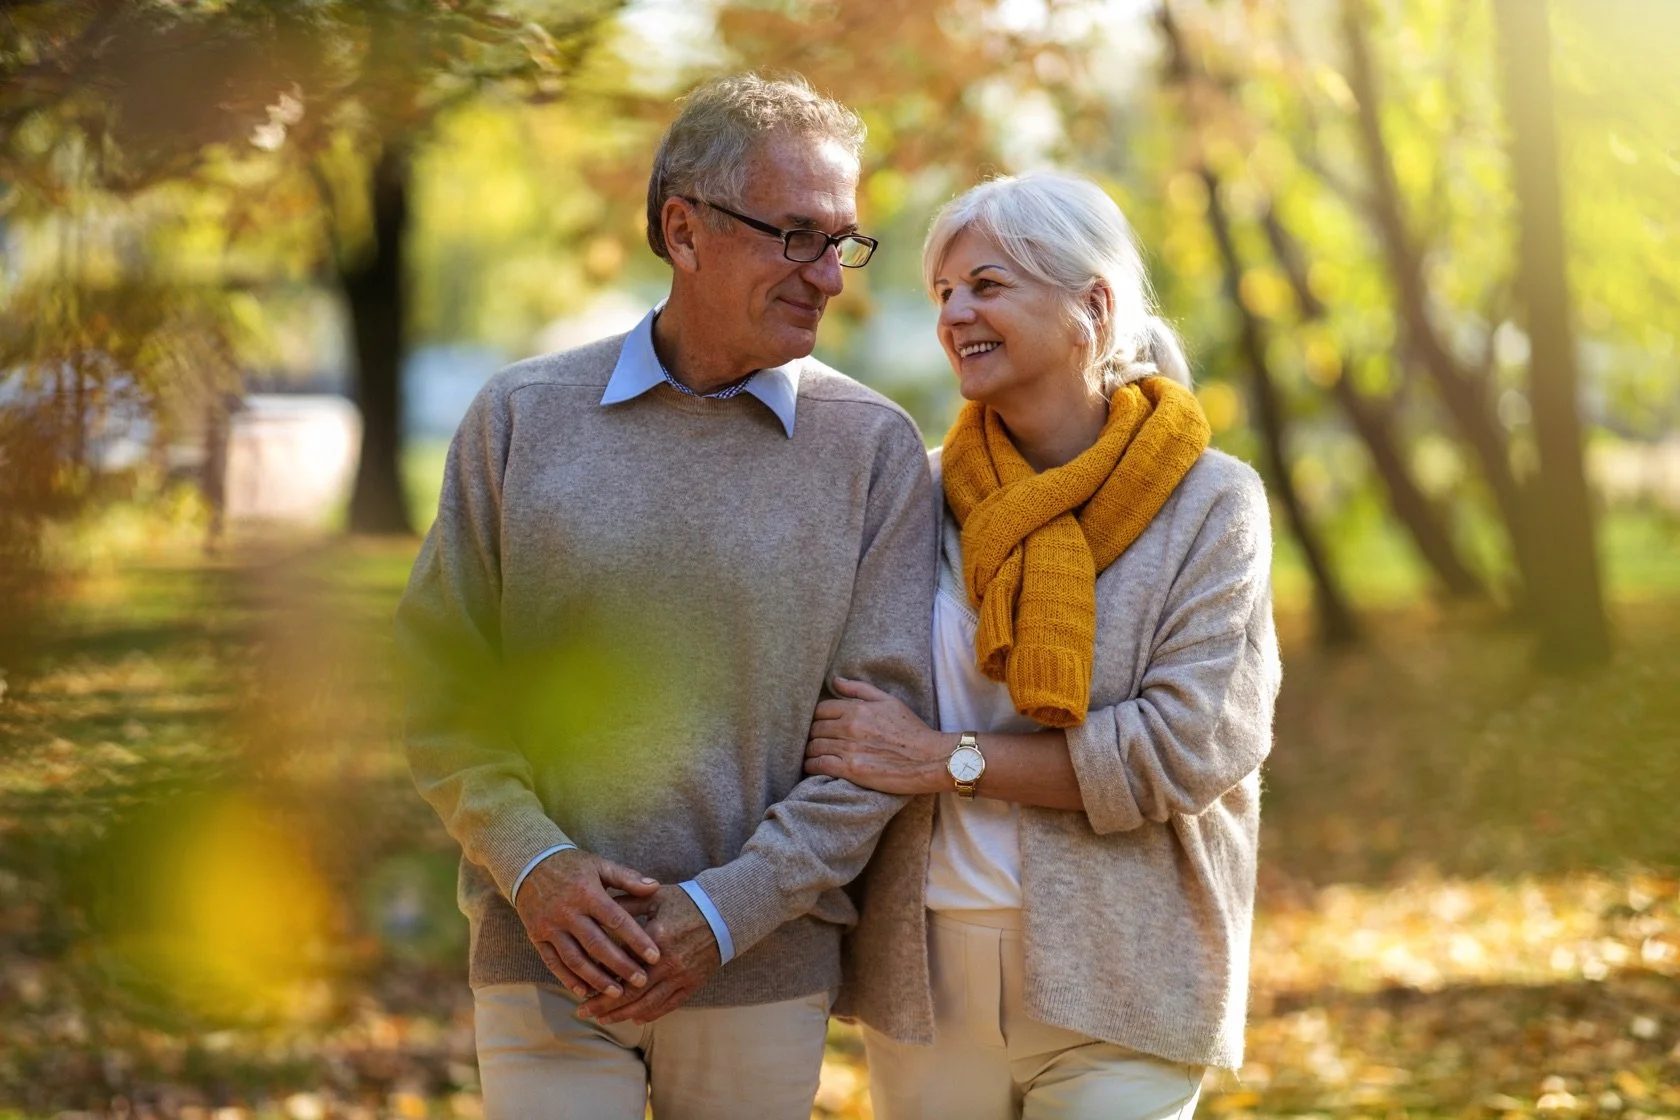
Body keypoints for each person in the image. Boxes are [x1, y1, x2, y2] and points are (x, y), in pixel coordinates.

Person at [395, 73, 937, 1120]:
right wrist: (538, 868)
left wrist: (723, 915)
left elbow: (879, 745)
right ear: (683, 231)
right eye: (796, 236)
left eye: (844, 240)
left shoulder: (872, 452)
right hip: (543, 954)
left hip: (761, 970)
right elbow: (437, 687)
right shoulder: (521, 418)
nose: (830, 275)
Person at [804, 171, 1282, 1119]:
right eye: (943, 292)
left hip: (1124, 970)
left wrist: (946, 762)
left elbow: (1187, 748)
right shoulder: (918, 491)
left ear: (1091, 306)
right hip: (927, 978)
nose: (955, 314)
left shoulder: (1210, 505)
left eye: (986, 285)